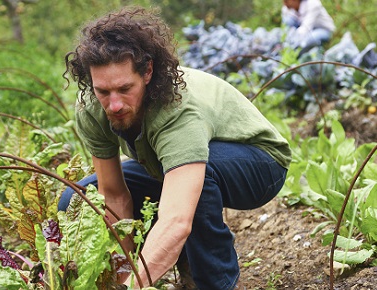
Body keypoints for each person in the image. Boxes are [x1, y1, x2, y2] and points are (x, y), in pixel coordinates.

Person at [60, 6, 292, 290]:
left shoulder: (176, 109)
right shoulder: (91, 107)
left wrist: (132, 288)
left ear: (147, 72)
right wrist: (125, 273)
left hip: (260, 163)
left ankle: (213, 282)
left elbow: (177, 219)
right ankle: (168, 263)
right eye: (104, 91)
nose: (115, 104)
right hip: (169, 166)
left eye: (124, 89)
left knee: (197, 180)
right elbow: (114, 196)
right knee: (81, 196)